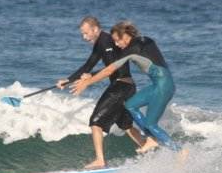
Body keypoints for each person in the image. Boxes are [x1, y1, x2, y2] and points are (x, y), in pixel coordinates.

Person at [71, 21, 179, 153]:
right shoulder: (145, 40)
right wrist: (92, 75)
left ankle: (179, 150)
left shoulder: (130, 50)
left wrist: (87, 82)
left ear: (125, 36)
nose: (116, 44)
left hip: (163, 86)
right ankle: (151, 139)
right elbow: (114, 66)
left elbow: (109, 70)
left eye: (117, 40)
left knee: (151, 124)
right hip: (161, 84)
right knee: (130, 105)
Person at [57, 16, 145, 168]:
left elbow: (112, 68)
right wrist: (69, 80)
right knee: (125, 125)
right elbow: (89, 65)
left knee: (95, 122)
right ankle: (149, 148)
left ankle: (100, 160)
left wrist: (88, 79)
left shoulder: (106, 41)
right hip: (128, 86)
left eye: (86, 33)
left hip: (120, 86)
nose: (84, 37)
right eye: (82, 34)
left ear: (95, 29)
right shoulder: (101, 43)